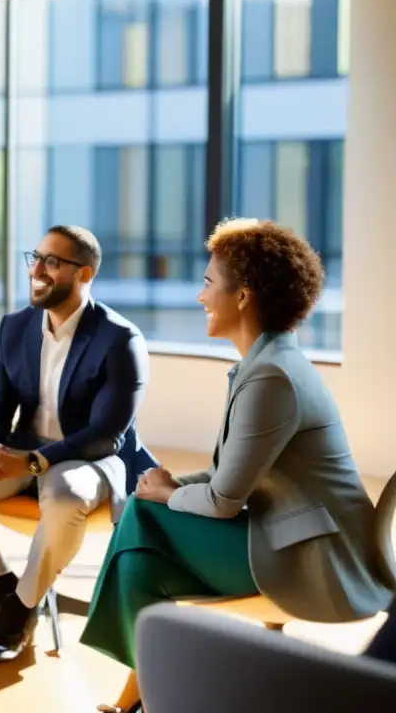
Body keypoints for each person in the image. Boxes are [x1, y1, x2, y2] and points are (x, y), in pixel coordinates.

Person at [80, 218, 395, 713]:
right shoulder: (266, 363)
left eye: (208, 283)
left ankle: (142, 695)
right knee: (141, 556)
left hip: (311, 557)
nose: (199, 295)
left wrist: (164, 493)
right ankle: (139, 701)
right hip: (282, 533)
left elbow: (225, 500)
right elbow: (229, 477)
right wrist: (168, 486)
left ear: (243, 295)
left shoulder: (271, 376)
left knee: (142, 518)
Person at [0, 225, 157, 663]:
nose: (37, 270)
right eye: (35, 257)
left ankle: (22, 610)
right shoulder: (14, 327)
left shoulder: (120, 339)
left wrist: (35, 462)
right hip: (25, 450)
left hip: (90, 459)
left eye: (53, 262)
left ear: (85, 274)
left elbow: (106, 434)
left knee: (67, 493)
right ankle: (5, 591)